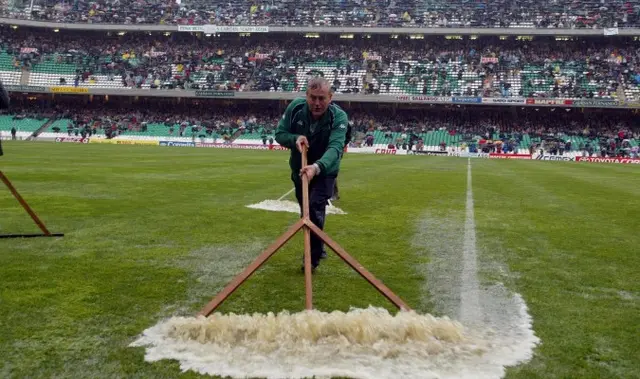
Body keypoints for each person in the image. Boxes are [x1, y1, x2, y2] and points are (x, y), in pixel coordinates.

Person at [275, 77, 349, 272]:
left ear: (330, 97)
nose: (317, 103)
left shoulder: (339, 117)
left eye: (322, 98)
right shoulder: (296, 108)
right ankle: (319, 246)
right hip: (300, 169)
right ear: (306, 96)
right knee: (306, 212)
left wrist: (317, 167)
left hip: (325, 170)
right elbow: (280, 134)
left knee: (315, 207)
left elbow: (335, 147)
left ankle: (311, 260)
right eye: (313, 98)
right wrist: (295, 138)